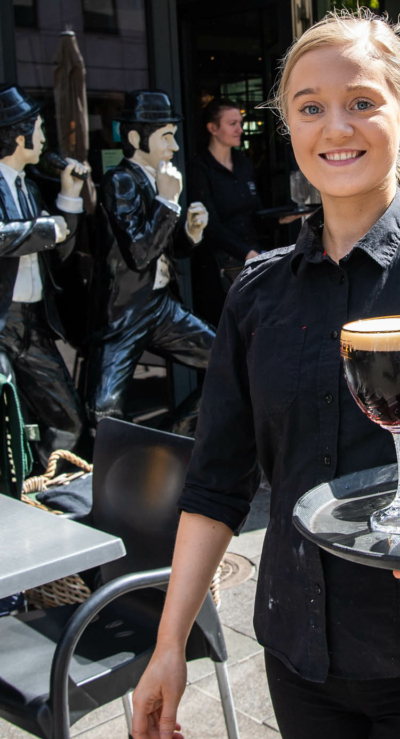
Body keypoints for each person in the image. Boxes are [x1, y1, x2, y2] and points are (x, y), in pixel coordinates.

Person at [129, 10, 400, 739]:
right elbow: (216, 483)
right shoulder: (257, 294)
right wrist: (168, 644)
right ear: (288, 127)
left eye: (361, 102)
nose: (334, 126)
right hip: (297, 654)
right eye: (310, 107)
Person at [87, 90, 213, 433]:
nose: (174, 147)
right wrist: (169, 203)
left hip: (159, 305)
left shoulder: (158, 179)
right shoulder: (119, 181)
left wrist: (190, 232)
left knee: (227, 362)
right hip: (125, 311)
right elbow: (140, 254)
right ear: (134, 138)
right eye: (166, 137)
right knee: (103, 409)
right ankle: (123, 460)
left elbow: (168, 248)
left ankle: (176, 435)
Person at [0, 84, 90, 461]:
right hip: (3, 322)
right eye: (38, 130)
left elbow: (61, 250)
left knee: (66, 418)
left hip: (32, 321)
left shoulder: (31, 189)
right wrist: (43, 229)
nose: (42, 139)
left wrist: (69, 197)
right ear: (20, 135)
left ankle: (45, 491)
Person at [187, 98, 304, 325]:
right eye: (232, 123)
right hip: (218, 266)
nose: (240, 129)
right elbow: (210, 226)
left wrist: (280, 218)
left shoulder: (243, 164)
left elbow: (255, 215)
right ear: (212, 128)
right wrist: (248, 254)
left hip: (249, 258)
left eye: (240, 122)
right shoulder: (199, 168)